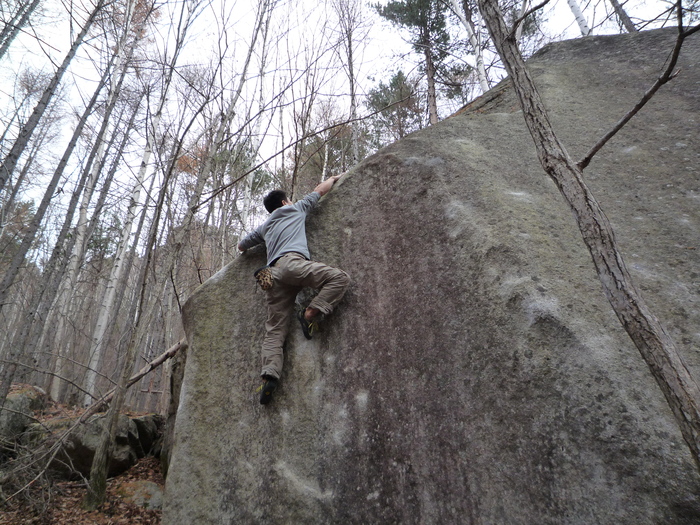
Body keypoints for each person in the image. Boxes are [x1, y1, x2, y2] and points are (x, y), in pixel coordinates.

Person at [237, 175, 350, 405]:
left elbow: (241, 245)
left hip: (271, 277)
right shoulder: (295, 209)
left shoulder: (265, 227)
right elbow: (320, 190)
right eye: (288, 199)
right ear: (284, 202)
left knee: (275, 330)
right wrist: (335, 177)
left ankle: (269, 375)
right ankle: (310, 313)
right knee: (339, 278)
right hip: (292, 264)